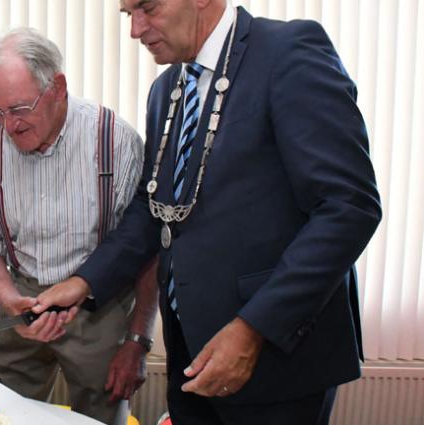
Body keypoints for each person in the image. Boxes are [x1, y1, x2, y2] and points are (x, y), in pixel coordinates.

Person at [36, 1, 382, 424]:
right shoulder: (166, 90)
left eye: (148, 8)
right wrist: (84, 282)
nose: (136, 30)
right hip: (191, 354)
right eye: (129, 14)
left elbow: (349, 206)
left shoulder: (288, 53)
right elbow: (155, 208)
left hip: (275, 357)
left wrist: (254, 328)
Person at [0, 28, 157, 424]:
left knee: (101, 418)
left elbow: (146, 251)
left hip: (101, 304)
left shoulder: (113, 140)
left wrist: (137, 340)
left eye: (18, 109)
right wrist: (9, 300)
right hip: (22, 300)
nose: (8, 126)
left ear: (58, 88)